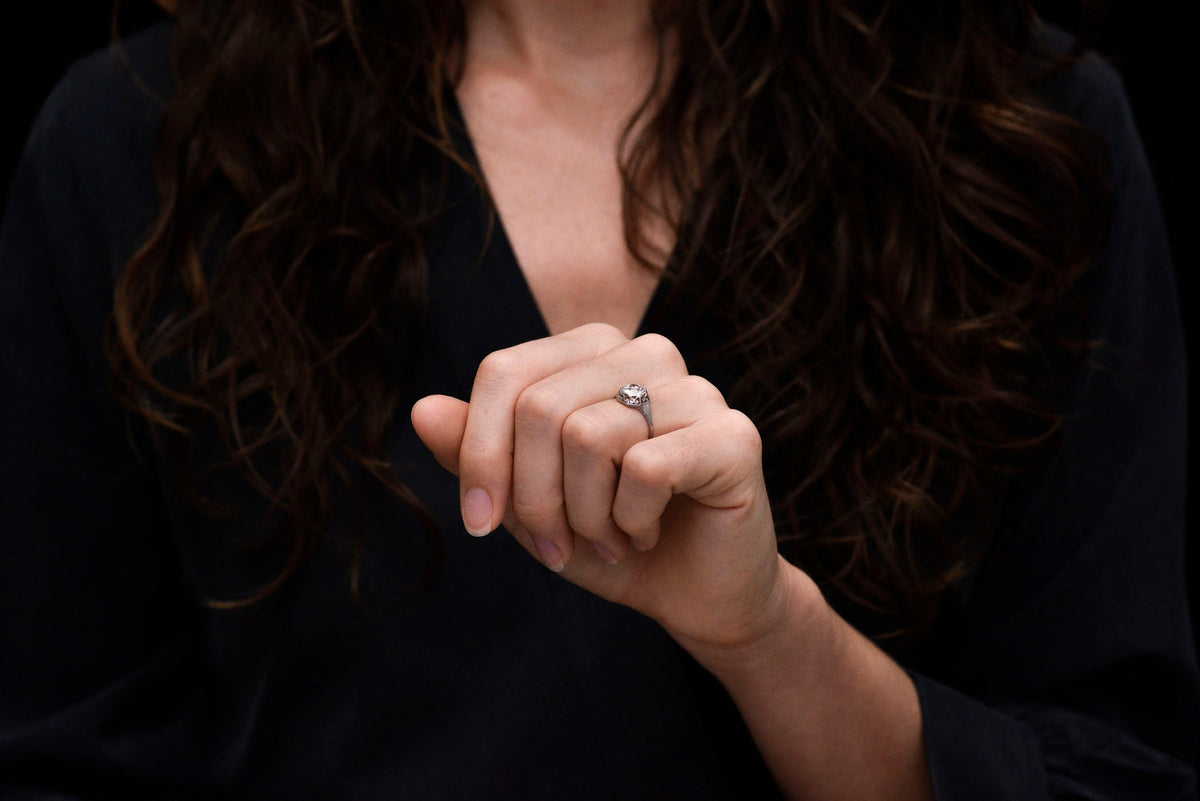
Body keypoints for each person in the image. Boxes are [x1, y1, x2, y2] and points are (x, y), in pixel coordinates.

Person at [0, 0, 1195, 798]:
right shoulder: (138, 144)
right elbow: (63, 755)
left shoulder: (1026, 132)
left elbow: (1105, 769)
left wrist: (769, 636)